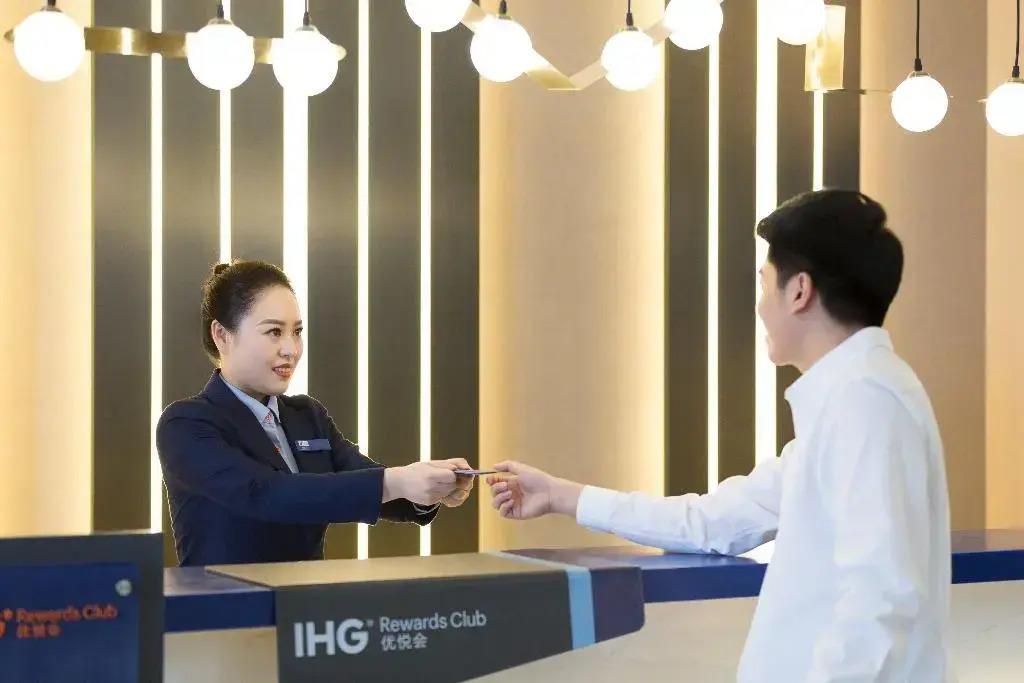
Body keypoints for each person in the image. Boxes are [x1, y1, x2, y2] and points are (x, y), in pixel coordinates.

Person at [487, 190, 952, 681]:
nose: (760, 305)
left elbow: (880, 598)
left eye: (763, 283)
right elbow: (710, 522)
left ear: (799, 291)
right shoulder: (850, 399)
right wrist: (560, 495)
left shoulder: (866, 401)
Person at [157, 260, 473, 566]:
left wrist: (429, 487)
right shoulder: (186, 424)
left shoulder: (306, 415)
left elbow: (361, 477)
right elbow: (265, 494)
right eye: (274, 332)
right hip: (225, 600)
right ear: (222, 335)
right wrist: (398, 481)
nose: (291, 349)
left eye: (297, 332)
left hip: (305, 598)